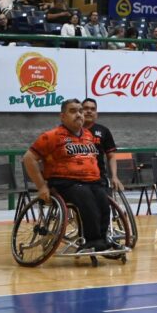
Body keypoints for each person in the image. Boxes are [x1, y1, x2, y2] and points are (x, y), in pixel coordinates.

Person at [23, 99, 118, 254]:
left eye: (80, 111)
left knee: (103, 200)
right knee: (86, 198)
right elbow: (29, 158)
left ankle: (102, 240)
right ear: (62, 116)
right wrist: (41, 186)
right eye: (73, 111)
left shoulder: (88, 135)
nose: (79, 114)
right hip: (65, 182)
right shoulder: (51, 136)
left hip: (91, 181)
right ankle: (92, 240)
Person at [82, 98, 122, 191]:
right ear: (80, 111)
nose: (89, 111)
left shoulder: (104, 131)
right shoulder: (73, 130)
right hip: (78, 177)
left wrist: (114, 176)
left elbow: (111, 157)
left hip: (99, 177)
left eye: (93, 109)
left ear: (96, 114)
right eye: (86, 108)